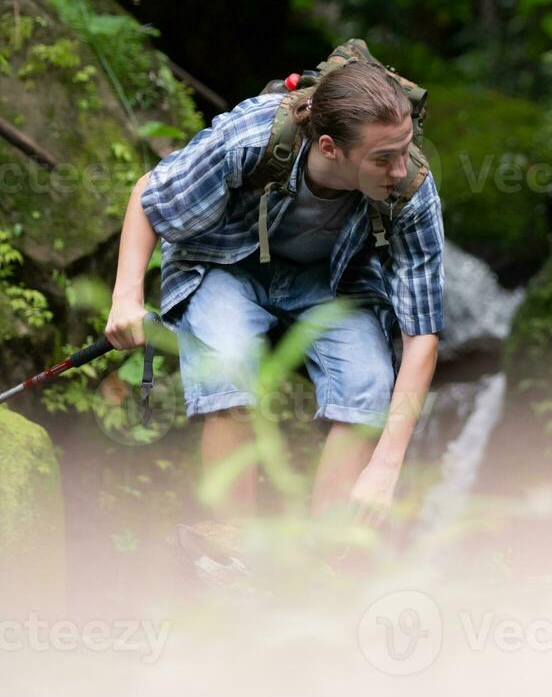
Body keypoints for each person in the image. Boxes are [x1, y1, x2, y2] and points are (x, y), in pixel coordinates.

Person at [104, 60, 445, 532]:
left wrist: (387, 466)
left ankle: (327, 558)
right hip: (226, 265)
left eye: (405, 150)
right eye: (383, 158)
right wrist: (126, 298)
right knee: (228, 361)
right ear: (329, 147)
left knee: (367, 381)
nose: (400, 169)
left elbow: (422, 333)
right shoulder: (253, 135)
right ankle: (231, 549)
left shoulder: (409, 189)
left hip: (329, 283)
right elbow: (150, 195)